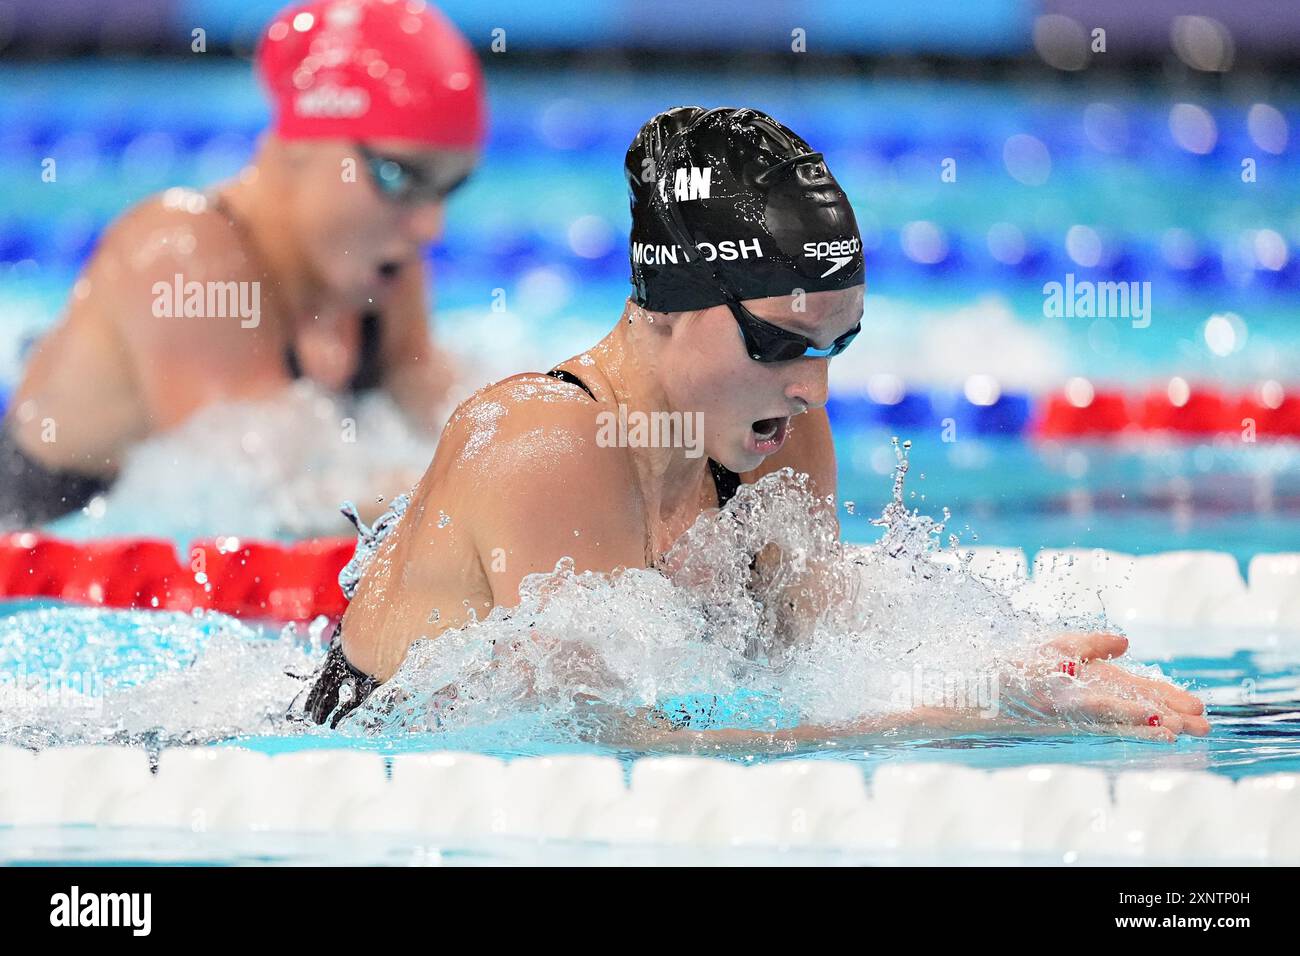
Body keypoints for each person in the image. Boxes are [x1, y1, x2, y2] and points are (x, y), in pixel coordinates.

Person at [298, 106, 1209, 745]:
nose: (812, 387)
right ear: (668, 305)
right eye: (779, 344)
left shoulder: (776, 433)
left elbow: (819, 642)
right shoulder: (547, 444)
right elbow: (614, 748)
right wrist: (964, 714)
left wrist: (1002, 669)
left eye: (837, 345)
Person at [0, 0, 485, 529]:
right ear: (303, 139)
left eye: (447, 188)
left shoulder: (381, 259)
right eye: (399, 176)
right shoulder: (180, 257)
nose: (429, 227)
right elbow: (261, 503)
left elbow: (444, 410)